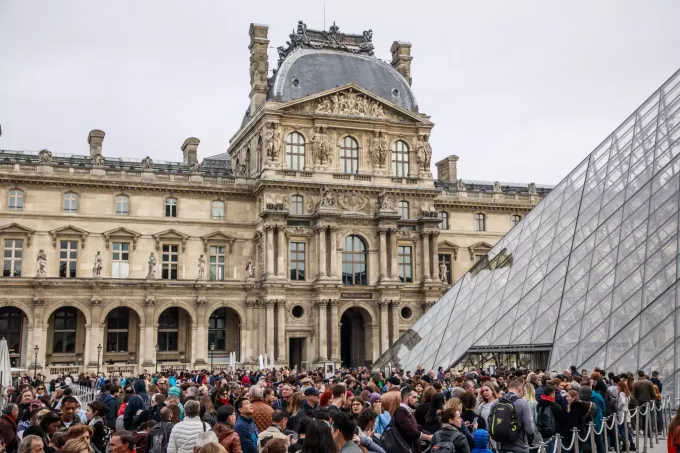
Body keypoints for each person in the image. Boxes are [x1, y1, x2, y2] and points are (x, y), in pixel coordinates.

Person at [487, 378, 535, 453]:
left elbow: (489, 425)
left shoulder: (496, 403)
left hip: (501, 447)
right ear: (520, 390)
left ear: (509, 388)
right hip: (520, 447)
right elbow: (529, 429)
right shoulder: (523, 404)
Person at [393, 386, 432, 453]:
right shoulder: (401, 411)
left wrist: (432, 435)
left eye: (417, 397)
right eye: (414, 397)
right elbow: (411, 432)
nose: (416, 400)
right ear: (405, 399)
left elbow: (418, 427)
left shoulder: (407, 411)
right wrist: (428, 437)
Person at [536, 386, 567, 453]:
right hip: (554, 433)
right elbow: (562, 420)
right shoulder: (555, 406)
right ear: (552, 394)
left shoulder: (539, 404)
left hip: (542, 431)